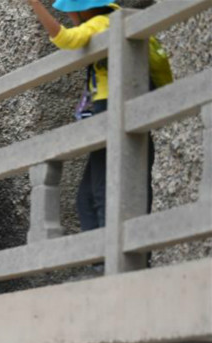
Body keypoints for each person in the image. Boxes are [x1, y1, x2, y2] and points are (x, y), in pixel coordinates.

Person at [25, 0, 173, 232]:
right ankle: (104, 251)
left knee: (102, 191)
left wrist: (35, 4)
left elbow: (65, 39)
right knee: (89, 196)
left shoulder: (100, 23)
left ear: (84, 9)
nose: (71, 16)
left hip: (110, 109)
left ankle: (108, 252)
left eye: (72, 11)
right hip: (124, 109)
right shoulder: (115, 17)